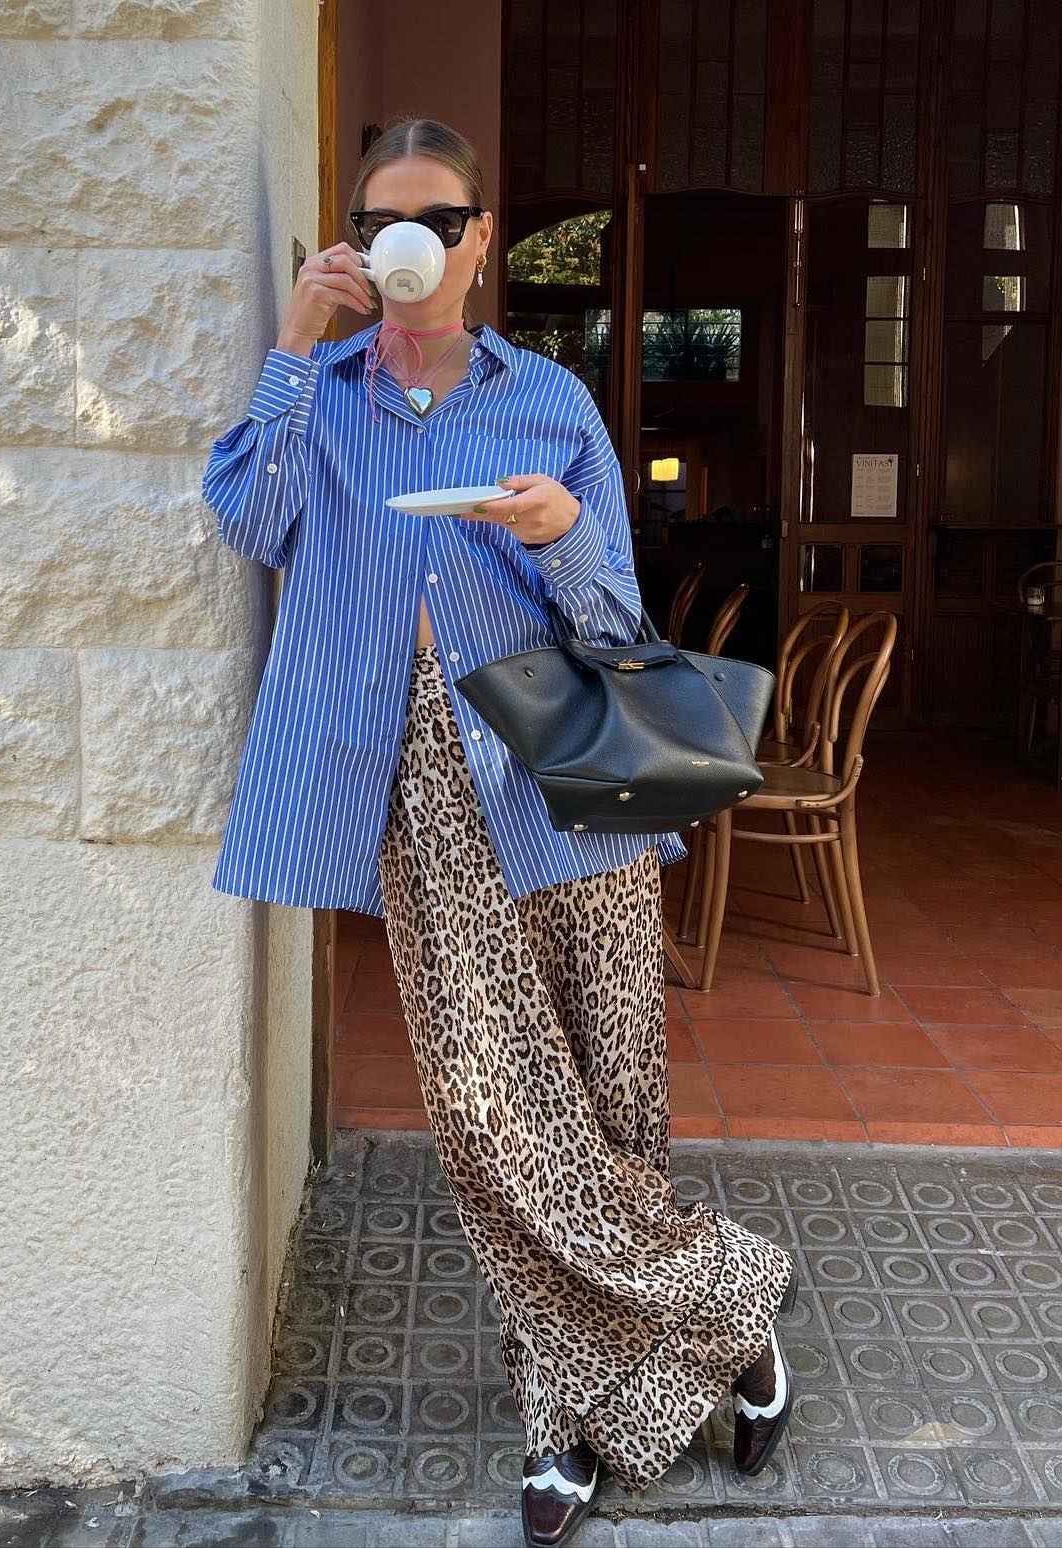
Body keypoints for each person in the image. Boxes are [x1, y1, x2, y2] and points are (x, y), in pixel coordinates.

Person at [202, 117, 798, 1548]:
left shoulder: (549, 403)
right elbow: (251, 517)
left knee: (604, 1109)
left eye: (436, 217)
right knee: (491, 1125)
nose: (407, 243)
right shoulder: (324, 394)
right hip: (414, 796)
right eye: (376, 218)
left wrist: (556, 539)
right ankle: (734, 1301)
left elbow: (617, 630)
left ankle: (571, 1423)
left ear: (477, 238)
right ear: (355, 239)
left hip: (564, 783)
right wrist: (293, 336)